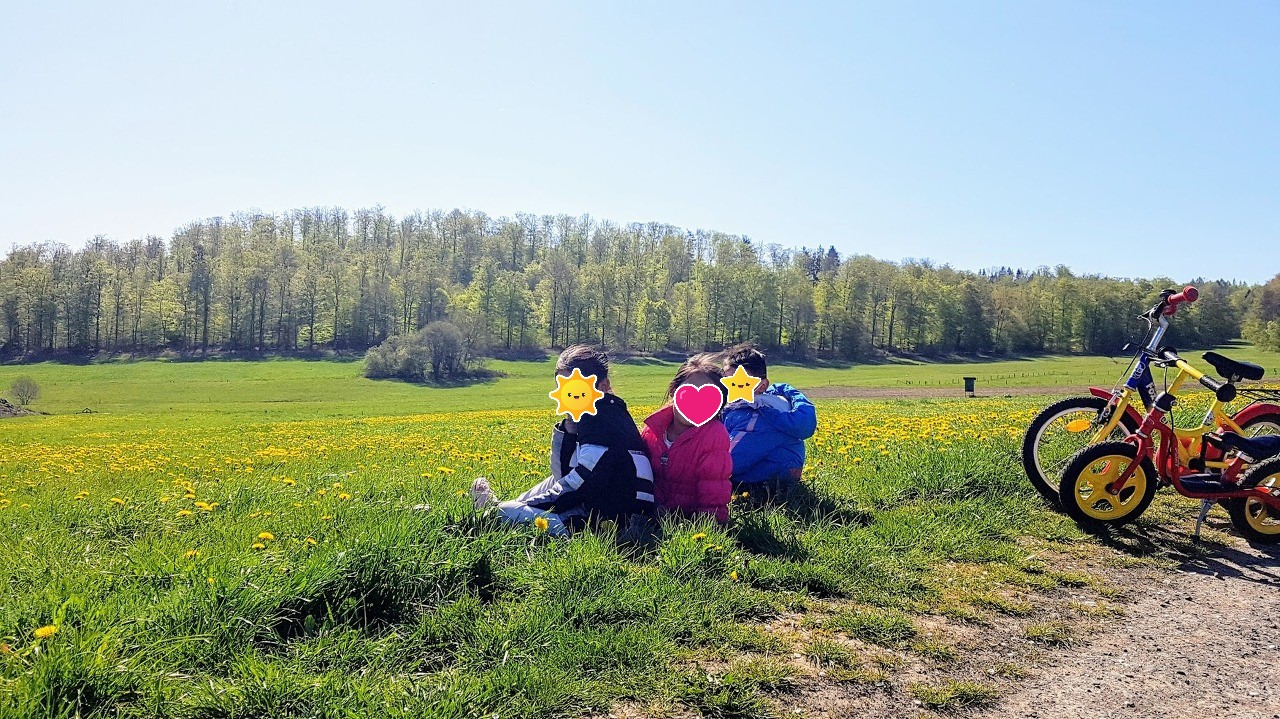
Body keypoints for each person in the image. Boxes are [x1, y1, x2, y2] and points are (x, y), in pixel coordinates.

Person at [471, 345, 655, 537]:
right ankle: (501, 511)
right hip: (606, 508)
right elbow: (562, 474)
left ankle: (494, 511)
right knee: (546, 487)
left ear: (602, 386)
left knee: (505, 513)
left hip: (607, 525)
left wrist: (525, 506)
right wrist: (568, 428)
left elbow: (581, 484)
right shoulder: (609, 413)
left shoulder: (600, 420)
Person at [639, 354, 734, 523]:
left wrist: (707, 527)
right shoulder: (651, 429)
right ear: (674, 391)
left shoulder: (713, 435)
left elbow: (714, 490)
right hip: (649, 515)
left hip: (689, 522)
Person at [720, 342, 817, 497]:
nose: (729, 388)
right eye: (726, 380)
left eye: (738, 383)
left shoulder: (759, 417)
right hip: (766, 472)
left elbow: (733, 461)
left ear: (762, 386)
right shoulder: (744, 407)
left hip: (767, 482)